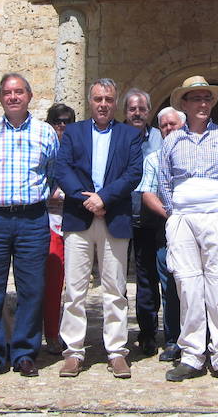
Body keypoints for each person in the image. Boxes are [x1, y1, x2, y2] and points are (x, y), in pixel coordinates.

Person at [159, 75, 218, 383]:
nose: (202, 104)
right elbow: (164, 180)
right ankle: (192, 355)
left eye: (207, 98)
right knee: (188, 287)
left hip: (217, 216)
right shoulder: (171, 140)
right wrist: (174, 212)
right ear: (184, 104)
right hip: (183, 218)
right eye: (196, 98)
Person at [56, 79, 144, 379]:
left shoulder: (129, 135)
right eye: (97, 99)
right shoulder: (74, 132)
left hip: (113, 218)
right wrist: (87, 200)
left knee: (115, 289)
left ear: (115, 102)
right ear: (89, 101)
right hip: (79, 219)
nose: (103, 104)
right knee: (75, 289)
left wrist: (104, 198)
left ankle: (117, 351)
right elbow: (62, 168)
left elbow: (133, 173)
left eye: (108, 99)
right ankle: (73, 351)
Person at [0, 73, 59, 380]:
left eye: (19, 92)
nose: (13, 97)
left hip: (32, 218)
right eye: (8, 92)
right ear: (0, 98)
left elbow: (53, 173)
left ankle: (24, 352)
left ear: (30, 96)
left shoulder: (45, 133)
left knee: (32, 289)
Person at [137, 106, 185, 362]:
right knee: (169, 286)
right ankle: (173, 340)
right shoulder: (153, 158)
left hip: (198, 228)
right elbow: (147, 193)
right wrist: (171, 214)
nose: (168, 129)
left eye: (173, 124)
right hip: (167, 230)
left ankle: (203, 339)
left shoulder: (196, 153)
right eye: (164, 125)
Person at [124, 88, 163, 356]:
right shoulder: (117, 136)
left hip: (149, 219)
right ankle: (114, 333)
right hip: (119, 216)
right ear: (125, 112)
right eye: (132, 109)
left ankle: (148, 332)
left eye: (142, 109)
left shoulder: (160, 137)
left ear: (148, 111)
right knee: (114, 278)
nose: (137, 113)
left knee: (147, 277)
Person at [42, 102, 76, 356]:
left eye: (66, 121)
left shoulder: (78, 148)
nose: (62, 126)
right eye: (57, 121)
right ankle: (50, 333)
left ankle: (72, 334)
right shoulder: (45, 149)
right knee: (52, 283)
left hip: (75, 220)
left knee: (74, 284)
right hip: (49, 222)